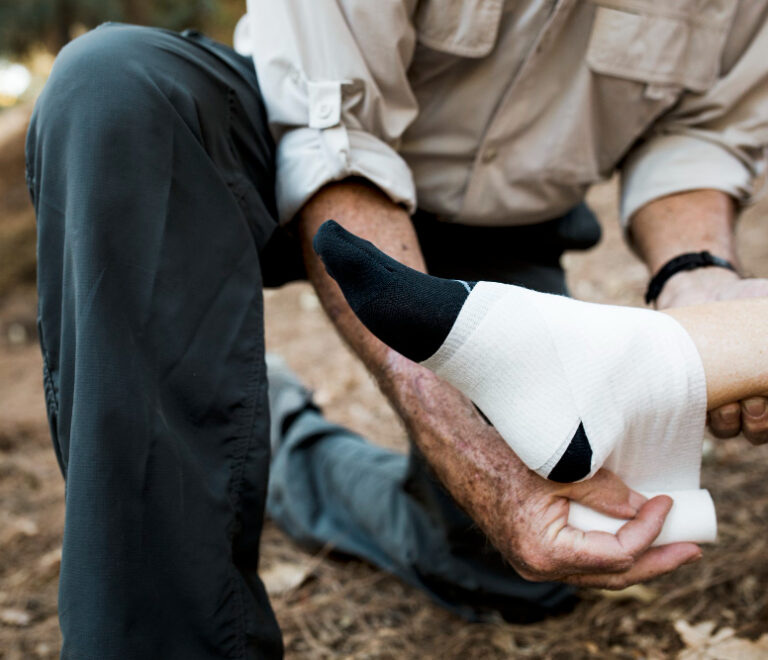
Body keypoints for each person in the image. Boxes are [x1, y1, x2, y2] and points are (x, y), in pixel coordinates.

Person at [24, 1, 768, 657]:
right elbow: (335, 138)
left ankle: (277, 437)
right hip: (303, 146)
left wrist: (699, 279)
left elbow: (698, 135)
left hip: (502, 223)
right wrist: (474, 447)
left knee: (518, 564)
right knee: (115, 86)